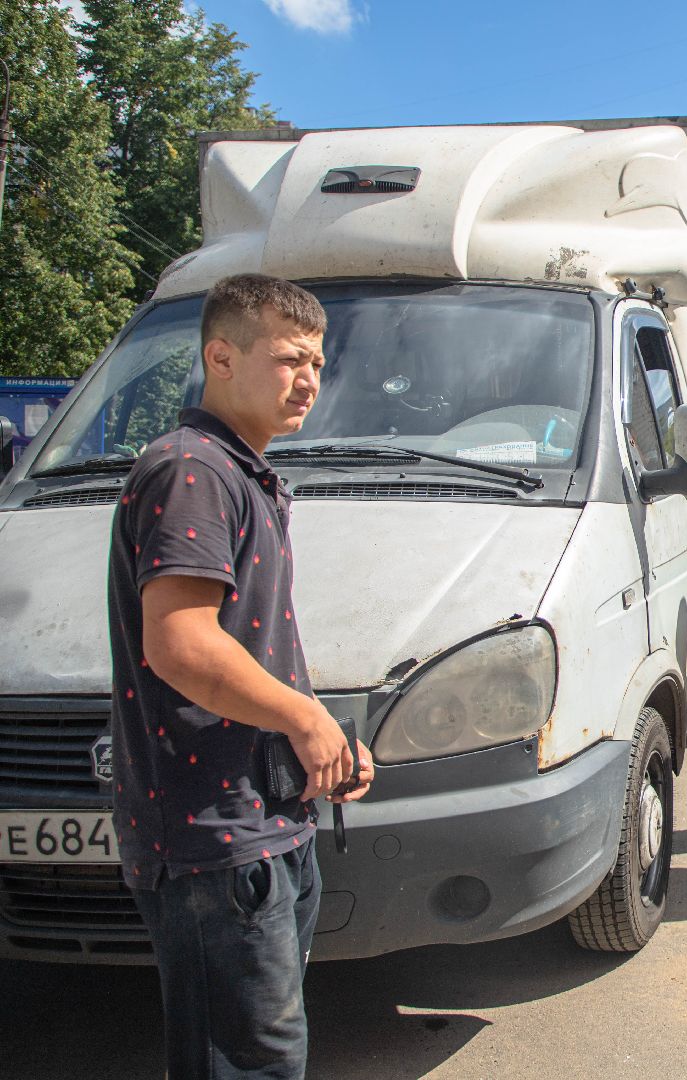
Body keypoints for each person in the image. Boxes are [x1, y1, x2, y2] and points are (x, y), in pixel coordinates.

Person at [109, 273, 374, 1079]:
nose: (310, 380)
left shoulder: (240, 471)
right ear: (220, 357)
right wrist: (304, 718)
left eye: (319, 363)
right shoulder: (192, 470)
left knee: (266, 1050)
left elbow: (247, 646)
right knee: (247, 1062)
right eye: (291, 358)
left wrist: (319, 735)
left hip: (262, 816)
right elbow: (182, 645)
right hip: (211, 839)